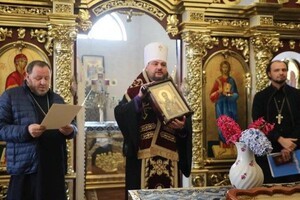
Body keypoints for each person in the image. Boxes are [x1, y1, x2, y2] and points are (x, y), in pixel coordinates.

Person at [114, 42, 192, 199]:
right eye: (155, 63)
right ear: (147, 67)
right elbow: (121, 114)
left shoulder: (173, 90)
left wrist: (183, 128)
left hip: (171, 156)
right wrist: (138, 99)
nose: (159, 67)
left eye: (163, 64)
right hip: (142, 157)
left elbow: (186, 121)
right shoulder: (135, 90)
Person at [0, 60, 77, 200]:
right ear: (26, 76)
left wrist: (70, 130)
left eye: (47, 78)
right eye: (38, 78)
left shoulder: (57, 98)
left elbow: (73, 125)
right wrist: (26, 131)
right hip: (26, 168)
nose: (43, 82)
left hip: (53, 167)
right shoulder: (11, 96)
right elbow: (1, 128)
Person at [252, 60, 300, 183]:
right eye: (277, 70)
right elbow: (259, 123)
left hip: (295, 150)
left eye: (284, 70)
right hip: (269, 152)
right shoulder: (261, 97)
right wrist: (279, 139)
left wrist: (291, 145)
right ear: (269, 74)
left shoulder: (297, 95)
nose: (281, 73)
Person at [209, 60, 239, 143]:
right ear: (221, 68)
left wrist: (229, 95)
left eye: (226, 67)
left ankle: (231, 143)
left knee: (230, 123)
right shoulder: (218, 80)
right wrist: (219, 91)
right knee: (222, 123)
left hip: (230, 105)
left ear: (229, 68)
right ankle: (222, 141)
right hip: (220, 105)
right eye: (223, 67)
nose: (225, 69)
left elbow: (236, 94)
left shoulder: (231, 80)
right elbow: (211, 95)